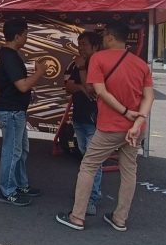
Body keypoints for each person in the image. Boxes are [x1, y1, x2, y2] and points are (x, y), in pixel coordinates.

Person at [56, 20, 154, 232]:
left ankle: (77, 216)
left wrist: (125, 112)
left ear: (110, 37)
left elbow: (99, 91)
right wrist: (138, 120)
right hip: (135, 128)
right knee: (129, 170)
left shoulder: (98, 59)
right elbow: (149, 96)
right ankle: (120, 219)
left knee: (88, 165)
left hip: (110, 126)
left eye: (104, 35)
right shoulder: (141, 64)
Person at [0, 19, 47, 206]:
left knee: (21, 150)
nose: (27, 38)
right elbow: (22, 86)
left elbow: (18, 86)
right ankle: (7, 191)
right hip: (11, 112)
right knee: (12, 152)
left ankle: (20, 185)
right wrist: (39, 72)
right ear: (17, 36)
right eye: (25, 34)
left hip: (16, 111)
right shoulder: (8, 56)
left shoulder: (9, 55)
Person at [63, 31, 103, 216]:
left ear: (95, 46)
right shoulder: (77, 63)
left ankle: (91, 199)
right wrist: (79, 86)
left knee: (92, 160)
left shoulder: (99, 64)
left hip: (95, 119)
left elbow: (91, 90)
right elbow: (68, 86)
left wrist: (81, 70)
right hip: (79, 117)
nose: (80, 48)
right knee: (84, 156)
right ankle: (90, 191)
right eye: (79, 44)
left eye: (84, 44)